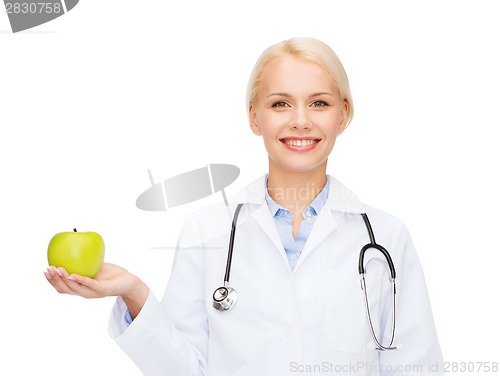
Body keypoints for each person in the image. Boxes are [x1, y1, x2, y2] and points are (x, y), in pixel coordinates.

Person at [45, 37, 443, 375]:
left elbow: (417, 366)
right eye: (280, 104)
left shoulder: (386, 237)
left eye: (319, 103)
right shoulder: (206, 231)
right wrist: (134, 292)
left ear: (344, 114)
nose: (300, 121)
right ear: (255, 117)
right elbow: (186, 368)